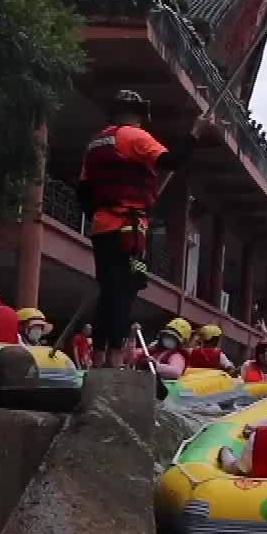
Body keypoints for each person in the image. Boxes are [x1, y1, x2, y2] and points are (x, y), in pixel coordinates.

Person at [77, 89, 202, 369]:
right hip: (129, 231)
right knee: (125, 292)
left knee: (108, 291)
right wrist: (195, 133)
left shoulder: (96, 143)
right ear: (136, 114)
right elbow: (173, 161)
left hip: (103, 228)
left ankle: (98, 355)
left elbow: (83, 191)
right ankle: (115, 356)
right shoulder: (134, 137)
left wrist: (102, 213)